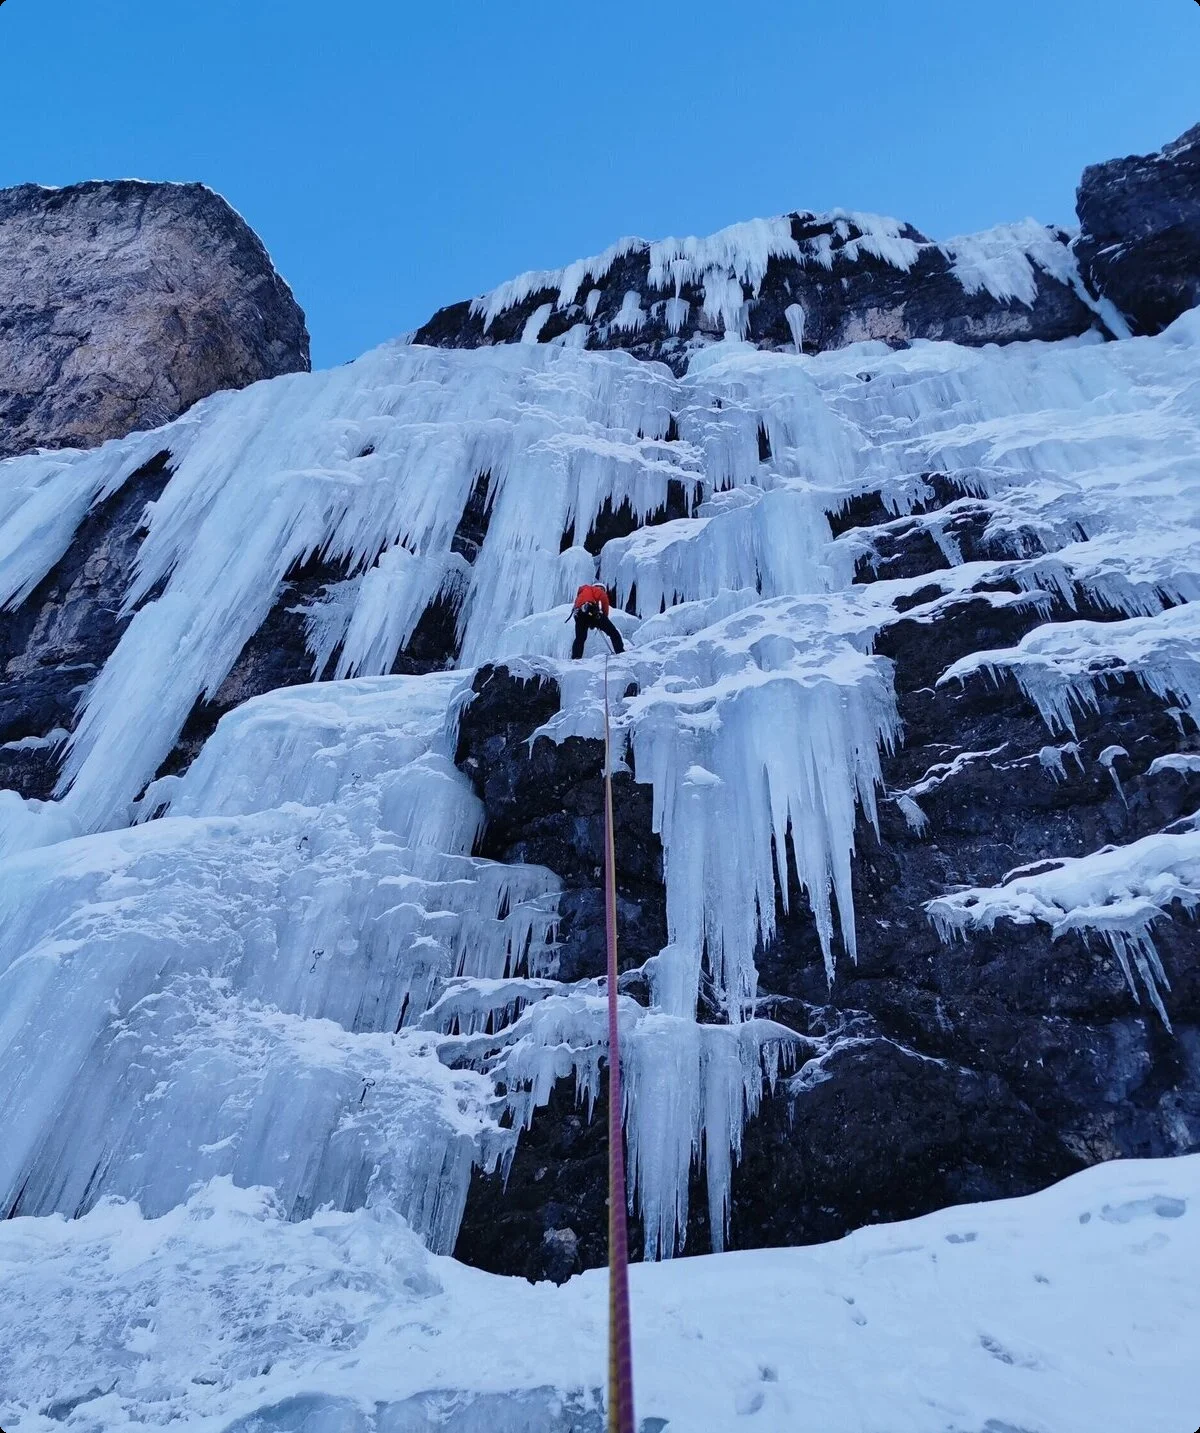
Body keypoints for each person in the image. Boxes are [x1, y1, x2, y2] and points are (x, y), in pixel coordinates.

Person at [570, 582, 624, 659]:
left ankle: (575, 658)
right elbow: (604, 602)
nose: (602, 590)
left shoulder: (582, 593)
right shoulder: (598, 591)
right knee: (613, 633)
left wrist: (590, 622)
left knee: (580, 638)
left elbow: (578, 608)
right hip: (592, 611)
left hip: (579, 614)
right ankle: (621, 653)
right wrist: (604, 618)